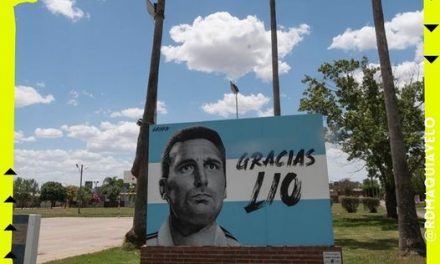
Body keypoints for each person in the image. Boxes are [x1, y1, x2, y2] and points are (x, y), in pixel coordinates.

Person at [147, 126, 239, 246]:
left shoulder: (237, 248)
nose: (202, 179)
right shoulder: (151, 245)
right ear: (164, 188)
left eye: (212, 166)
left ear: (225, 186)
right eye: (186, 167)